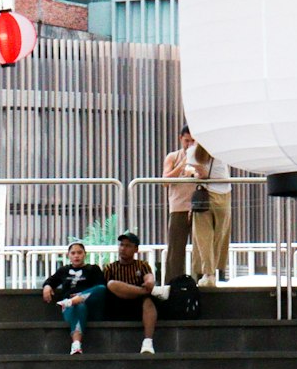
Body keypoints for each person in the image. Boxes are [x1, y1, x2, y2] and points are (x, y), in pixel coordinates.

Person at [95, 232, 170, 355]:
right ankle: (152, 291)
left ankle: (148, 342)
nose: (123, 248)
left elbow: (149, 278)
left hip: (138, 305)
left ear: (136, 249)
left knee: (148, 302)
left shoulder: (142, 265)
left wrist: (149, 283)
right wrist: (144, 290)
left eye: (128, 246)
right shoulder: (110, 268)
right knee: (112, 284)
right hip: (117, 305)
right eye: (121, 245)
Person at [42, 241, 104, 356]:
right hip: (72, 308)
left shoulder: (93, 269)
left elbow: (100, 287)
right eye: (73, 253)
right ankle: (76, 344)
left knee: (101, 288)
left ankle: (73, 301)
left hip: (89, 304)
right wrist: (47, 286)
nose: (76, 256)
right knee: (78, 307)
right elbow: (51, 281)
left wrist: (80, 296)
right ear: (68, 255)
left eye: (79, 253)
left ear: (85, 254)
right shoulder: (63, 270)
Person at [162, 124, 202, 283]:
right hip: (178, 208)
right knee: (175, 249)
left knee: (200, 247)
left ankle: (201, 281)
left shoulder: (202, 157)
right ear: (181, 139)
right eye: (187, 141)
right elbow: (165, 181)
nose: (189, 144)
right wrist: (183, 163)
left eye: (193, 141)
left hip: (198, 207)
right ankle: (173, 284)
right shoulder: (173, 157)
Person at [189, 144, 232, 289]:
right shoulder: (221, 149)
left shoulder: (192, 152)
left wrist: (192, 174)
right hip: (224, 194)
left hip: (205, 196)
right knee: (220, 234)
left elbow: (201, 174)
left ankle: (208, 274)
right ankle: (216, 270)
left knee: (203, 236)